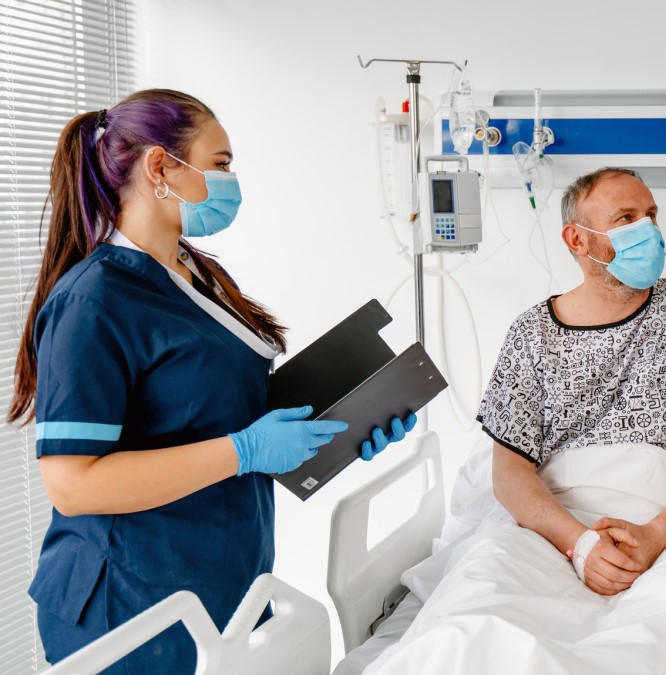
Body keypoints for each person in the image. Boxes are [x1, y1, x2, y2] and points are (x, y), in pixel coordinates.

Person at [6, 89, 416, 672]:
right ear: (159, 166)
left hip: (214, 580)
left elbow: (211, 410)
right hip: (128, 604)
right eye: (220, 163)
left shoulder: (196, 272)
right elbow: (73, 485)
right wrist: (246, 450)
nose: (231, 180)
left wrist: (349, 423)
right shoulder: (94, 300)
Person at [479, 167, 666, 594]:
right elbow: (510, 473)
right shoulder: (531, 336)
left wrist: (654, 537)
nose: (647, 229)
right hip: (556, 528)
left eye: (651, 215)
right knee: (486, 608)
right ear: (578, 240)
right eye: (626, 219)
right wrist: (582, 545)